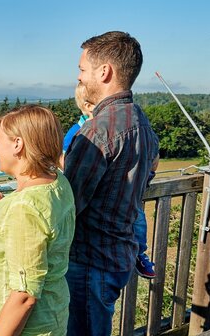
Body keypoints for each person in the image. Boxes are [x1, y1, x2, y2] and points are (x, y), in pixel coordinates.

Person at [63, 31, 159, 336]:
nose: (78, 77)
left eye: (82, 70)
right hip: (119, 255)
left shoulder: (98, 130)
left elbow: (68, 203)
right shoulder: (141, 123)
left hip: (90, 260)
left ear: (104, 72)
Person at [0, 105, 76, 336]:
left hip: (19, 333)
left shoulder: (25, 208)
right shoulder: (57, 182)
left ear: (18, 144)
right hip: (45, 319)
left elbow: (25, 295)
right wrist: (5, 211)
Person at [62, 83, 158, 280]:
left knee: (138, 219)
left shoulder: (102, 129)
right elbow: (65, 159)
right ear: (87, 107)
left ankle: (140, 252)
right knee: (137, 217)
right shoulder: (82, 132)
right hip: (105, 244)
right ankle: (139, 252)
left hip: (98, 252)